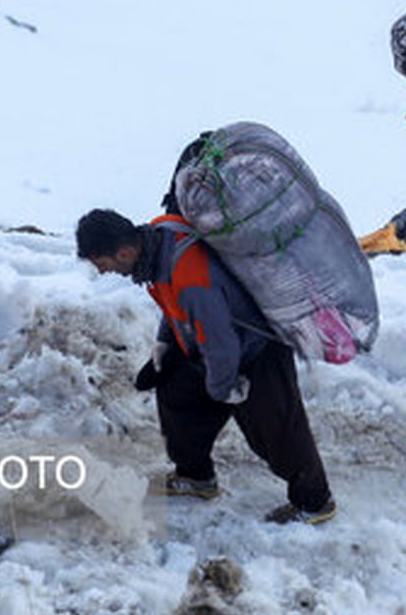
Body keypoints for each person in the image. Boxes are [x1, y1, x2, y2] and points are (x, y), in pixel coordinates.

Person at [75, 208, 336, 525]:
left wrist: (222, 389)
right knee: (176, 393)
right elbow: (176, 306)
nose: (103, 273)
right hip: (214, 343)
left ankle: (315, 502)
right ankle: (196, 477)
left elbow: (221, 345)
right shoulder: (158, 242)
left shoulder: (190, 276)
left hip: (257, 348)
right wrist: (165, 345)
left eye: (103, 265)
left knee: (276, 430)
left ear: (124, 252)